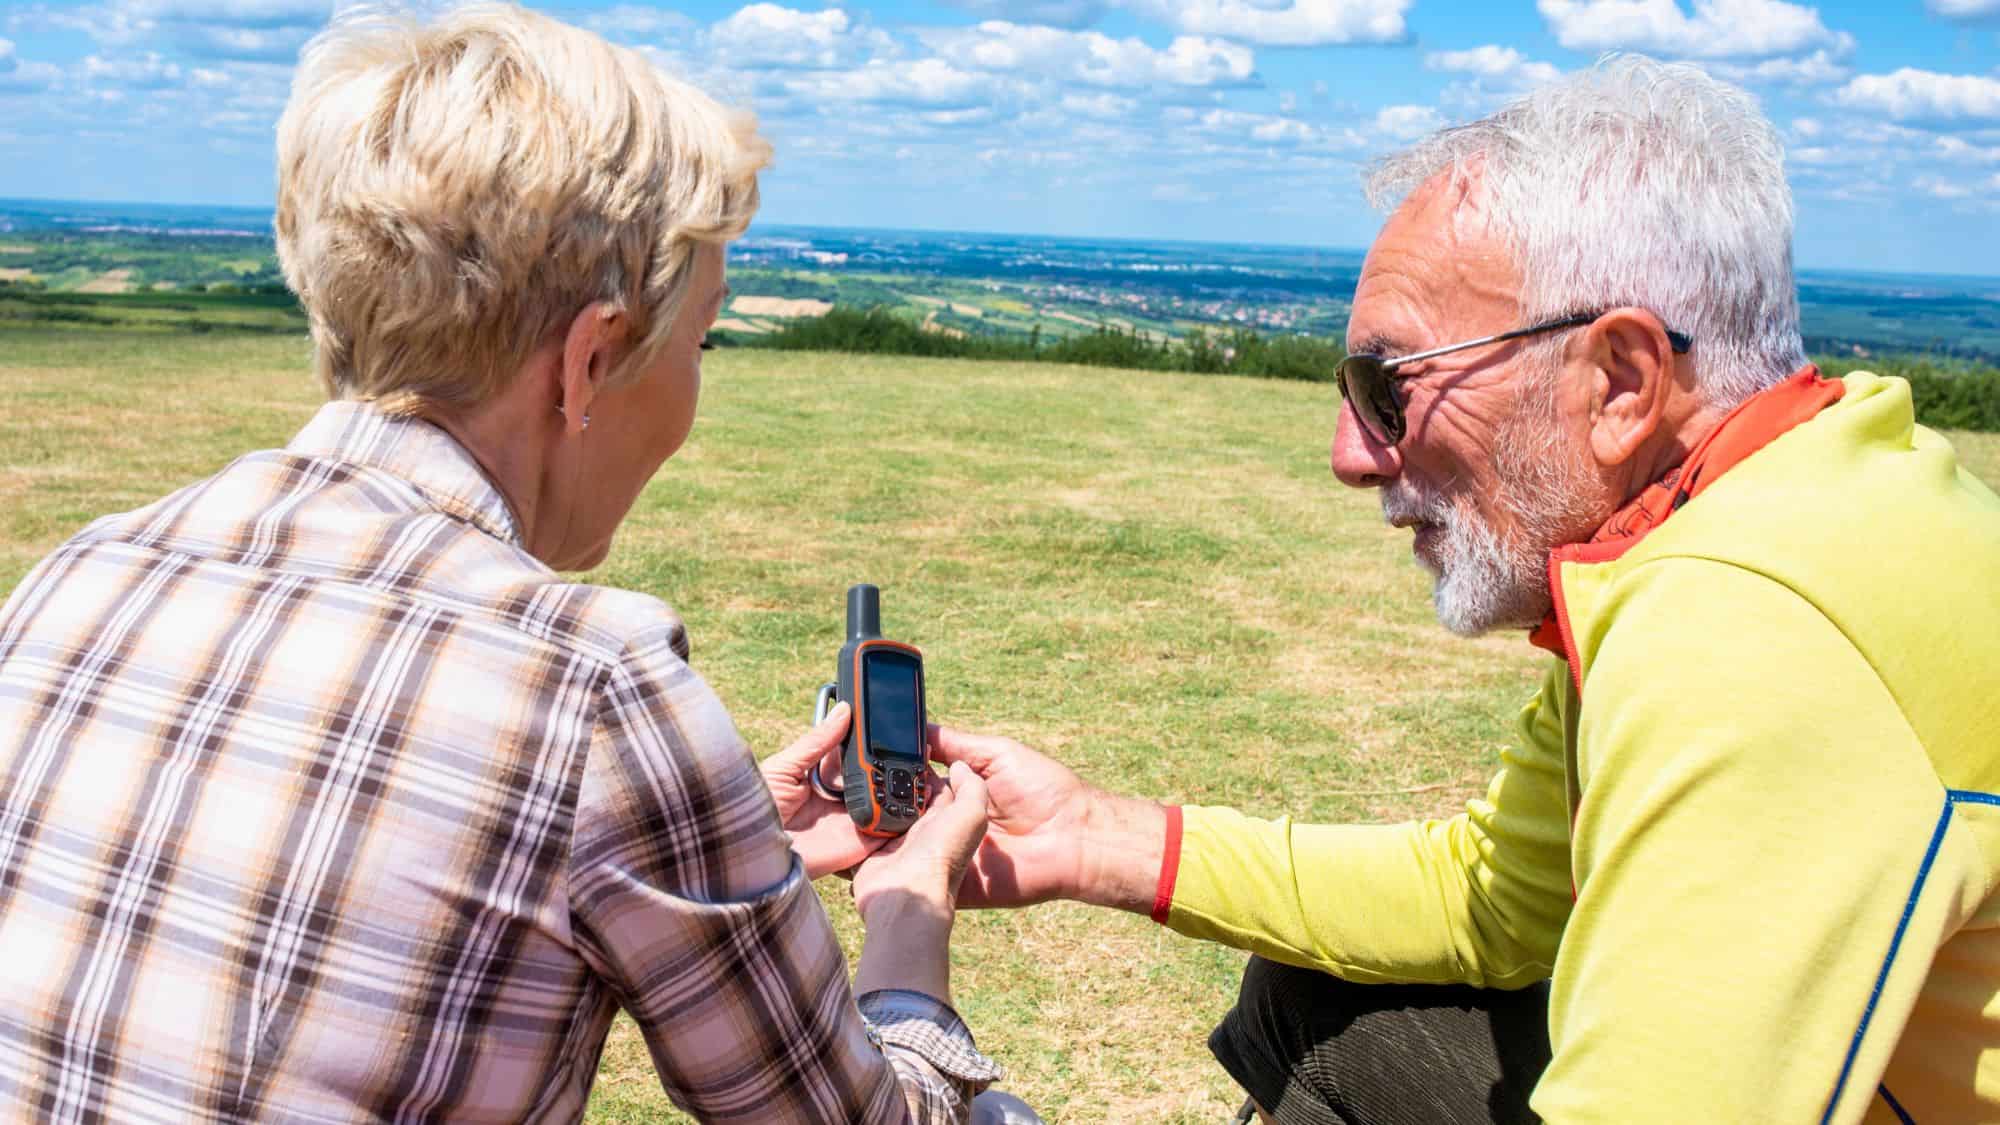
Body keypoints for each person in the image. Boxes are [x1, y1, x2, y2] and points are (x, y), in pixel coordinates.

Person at [931, 55, 2000, 1123]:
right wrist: (1088, 835)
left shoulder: (1748, 629)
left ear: (1619, 382)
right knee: (1316, 998)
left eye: (1386, 387)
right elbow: (1494, 898)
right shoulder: (1775, 505)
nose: (1351, 454)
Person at [0, 5, 1010, 1121]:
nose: (696, 388)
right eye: (701, 343)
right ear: (588, 361)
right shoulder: (589, 683)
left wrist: (725, 839)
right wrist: (911, 909)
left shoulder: (79, 576)